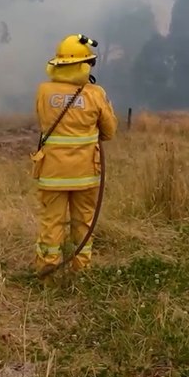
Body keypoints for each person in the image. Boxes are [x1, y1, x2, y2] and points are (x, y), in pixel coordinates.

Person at [30, 34, 118, 274]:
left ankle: (48, 274)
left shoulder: (44, 92)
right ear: (83, 65)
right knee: (83, 223)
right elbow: (109, 132)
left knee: (51, 225)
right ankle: (81, 271)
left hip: (52, 174)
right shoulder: (95, 94)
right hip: (85, 175)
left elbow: (42, 124)